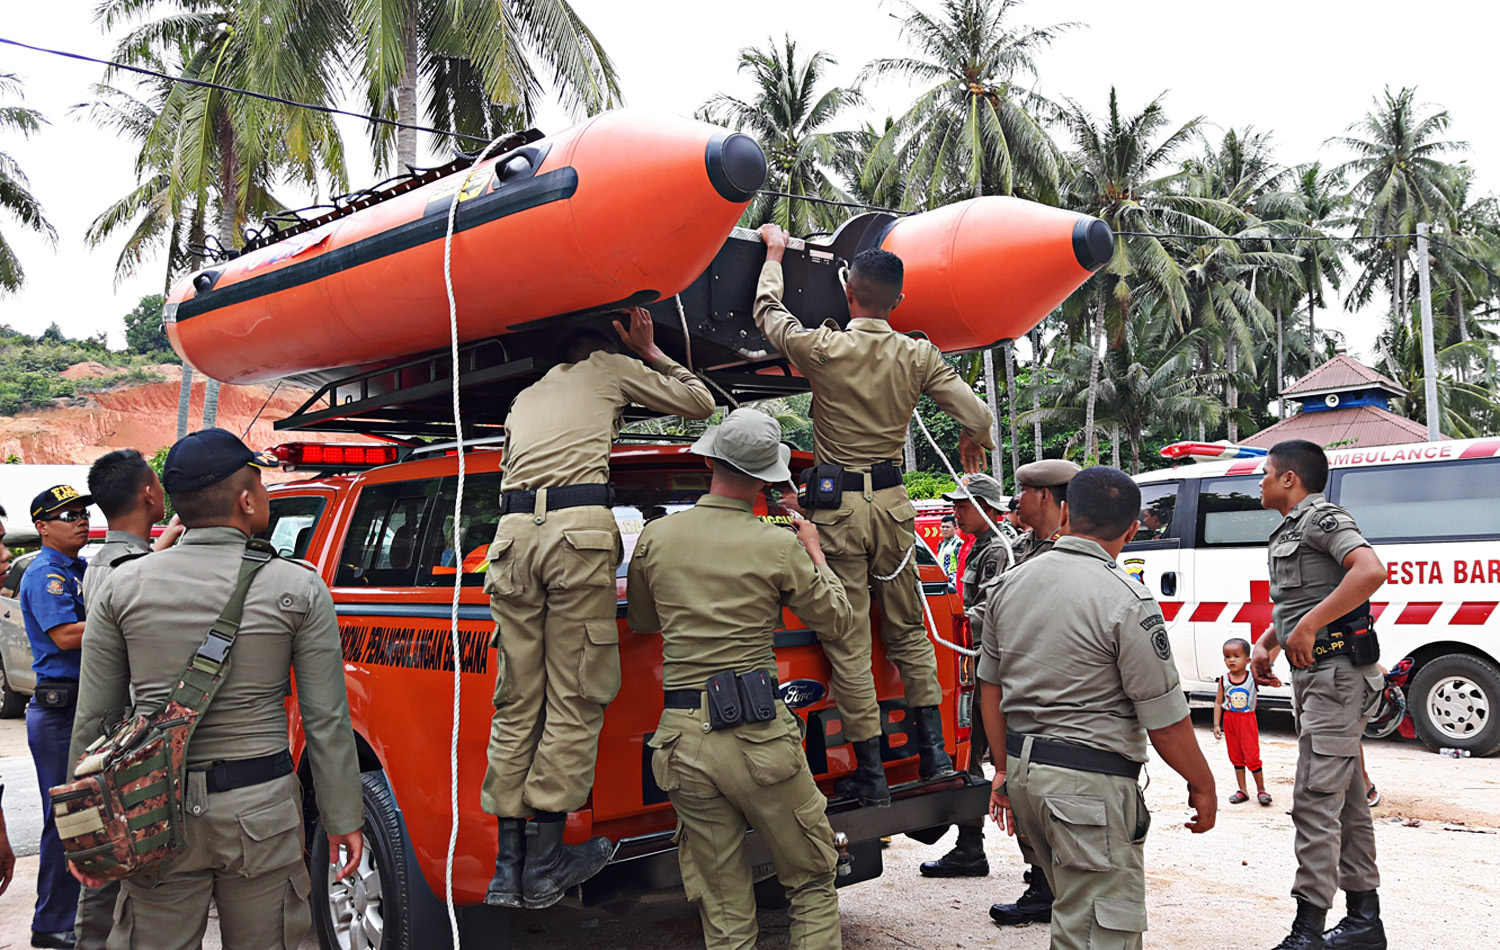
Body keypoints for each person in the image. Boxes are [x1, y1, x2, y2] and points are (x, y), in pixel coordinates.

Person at [68, 428, 364, 950]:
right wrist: (343, 818)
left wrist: (85, 832)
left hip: (152, 807)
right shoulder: (296, 586)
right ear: (247, 501)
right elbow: (326, 721)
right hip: (261, 812)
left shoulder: (122, 585)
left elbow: (95, 721)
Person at [482, 308, 715, 910]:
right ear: (600, 346)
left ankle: (508, 867)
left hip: (510, 540)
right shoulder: (608, 368)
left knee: (517, 699)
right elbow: (700, 405)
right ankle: (546, 860)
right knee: (576, 693)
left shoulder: (525, 398)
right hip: (572, 536)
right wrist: (649, 349)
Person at [756, 223, 995, 808]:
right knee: (909, 630)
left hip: (837, 514)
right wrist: (971, 438)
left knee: (848, 637)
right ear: (899, 301)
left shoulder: (825, 348)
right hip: (893, 511)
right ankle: (935, 754)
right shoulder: (918, 354)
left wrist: (774, 252)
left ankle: (870, 771)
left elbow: (768, 312)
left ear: (848, 290)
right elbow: (980, 414)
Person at [627, 409, 856, 949]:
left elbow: (641, 619)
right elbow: (838, 620)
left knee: (724, 904)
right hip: (760, 738)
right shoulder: (777, 545)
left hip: (682, 741)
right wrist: (815, 551)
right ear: (768, 479)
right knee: (813, 878)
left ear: (709, 459)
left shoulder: (656, 536)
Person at [979, 466, 1217, 949]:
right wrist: (1203, 783)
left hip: (1028, 779)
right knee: (1096, 934)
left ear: (1065, 513)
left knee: (1074, 911)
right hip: (1087, 789)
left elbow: (990, 690)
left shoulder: (1010, 585)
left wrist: (1003, 772)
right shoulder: (1128, 599)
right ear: (1133, 530)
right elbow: (1165, 721)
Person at [1250, 439, 1388, 950]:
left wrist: (1307, 626)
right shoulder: (1289, 527)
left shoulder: (1322, 518)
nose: (1259, 482)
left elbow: (1370, 571)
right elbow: (1299, 599)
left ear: (1290, 479)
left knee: (1313, 800)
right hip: (1318, 678)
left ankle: (1307, 932)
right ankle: (1363, 923)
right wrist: (1269, 642)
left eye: (1265, 473)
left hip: (1337, 677)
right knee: (1347, 801)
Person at [984, 457, 1079, 927]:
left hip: (1047, 690)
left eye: (1022, 491)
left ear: (1045, 497)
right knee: (1022, 786)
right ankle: (1041, 881)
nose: (1015, 500)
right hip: (1016, 686)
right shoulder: (1023, 546)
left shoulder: (1071, 551)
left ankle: (1055, 885)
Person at [919, 473, 1008, 879]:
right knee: (968, 753)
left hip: (992, 665)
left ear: (988, 510)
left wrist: (947, 624)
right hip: (976, 660)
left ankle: (979, 851)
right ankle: (969, 847)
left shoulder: (996, 552)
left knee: (979, 754)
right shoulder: (976, 549)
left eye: (964, 505)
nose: (955, 512)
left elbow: (990, 609)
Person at [20, 484, 93, 949]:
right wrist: (124, 613)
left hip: (78, 705)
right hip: (60, 708)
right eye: (66, 514)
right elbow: (67, 636)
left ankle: (74, 914)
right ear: (43, 527)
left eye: (83, 511)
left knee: (86, 815)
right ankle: (51, 924)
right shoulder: (46, 573)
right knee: (63, 818)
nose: (79, 519)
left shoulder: (78, 569)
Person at [82, 449, 183, 608]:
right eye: (158, 484)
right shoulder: (139, 571)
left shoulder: (96, 565)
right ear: (148, 495)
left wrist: (171, 531)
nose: (163, 492)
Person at [1215, 638, 1271, 806]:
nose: (1231, 660)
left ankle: (1261, 790)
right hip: (1230, 720)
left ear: (1247, 660)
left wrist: (1274, 682)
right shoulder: (1224, 680)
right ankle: (1242, 790)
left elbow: (1269, 683)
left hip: (1247, 720)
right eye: (1227, 656)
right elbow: (1218, 703)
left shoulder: (1251, 678)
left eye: (1236, 656)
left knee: (1252, 756)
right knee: (1236, 757)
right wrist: (1217, 725)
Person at [936, 514, 963, 583]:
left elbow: (962, 568)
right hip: (944, 581)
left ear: (955, 529)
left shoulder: (958, 544)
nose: (944, 529)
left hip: (954, 582)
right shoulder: (941, 544)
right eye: (943, 527)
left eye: (948, 527)